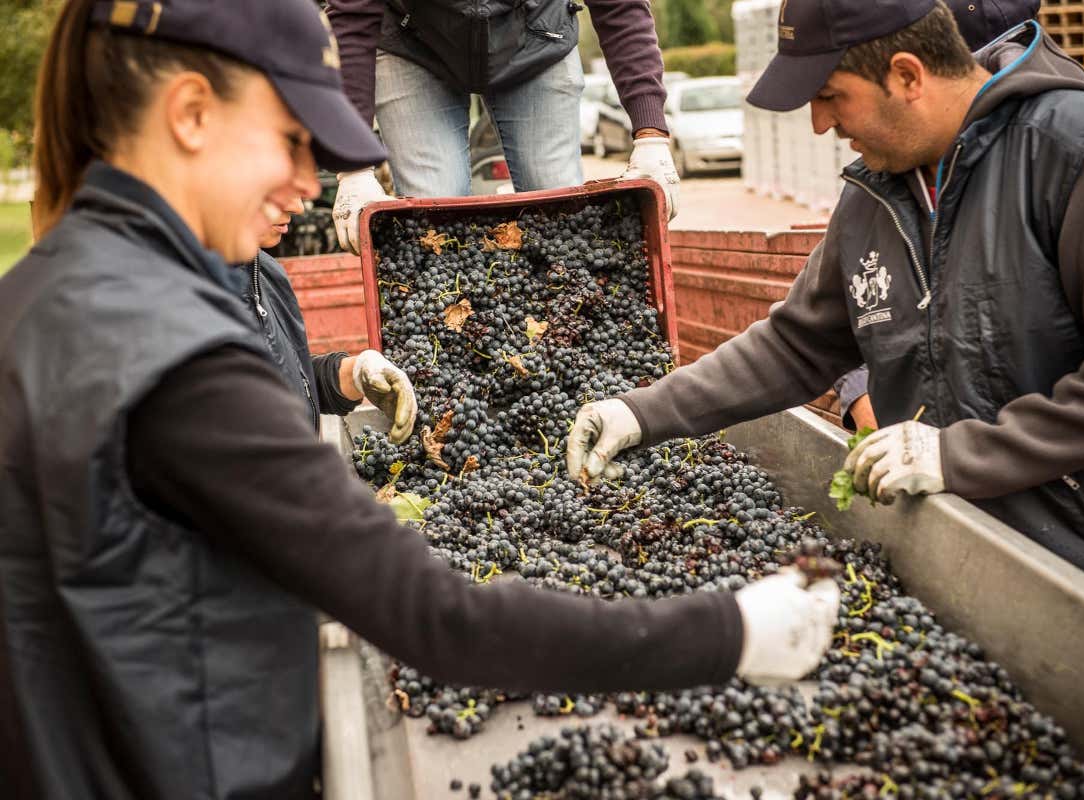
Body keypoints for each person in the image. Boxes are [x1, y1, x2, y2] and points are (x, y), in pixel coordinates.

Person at [0, 2, 839, 797]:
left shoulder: (47, 292)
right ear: (190, 114)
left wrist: (336, 377)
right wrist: (732, 632)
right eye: (292, 141)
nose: (307, 184)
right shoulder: (175, 355)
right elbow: (440, 619)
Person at [566, 0, 1084, 640]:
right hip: (980, 576)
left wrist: (958, 456)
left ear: (906, 75)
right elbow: (793, 346)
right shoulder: (874, 195)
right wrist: (642, 412)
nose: (818, 124)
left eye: (831, 95)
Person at [831, 0, 1041, 432]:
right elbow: (824, 322)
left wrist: (954, 456)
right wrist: (857, 387)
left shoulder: (1066, 160)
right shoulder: (880, 175)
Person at [326, 0, 682, 254]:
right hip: (413, 40)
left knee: (560, 218)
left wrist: (650, 134)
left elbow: (620, 7)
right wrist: (352, 165)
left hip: (538, 35)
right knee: (433, 222)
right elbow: (352, 16)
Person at [246, 195, 417, 440]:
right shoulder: (188, 299)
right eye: (275, 186)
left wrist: (354, 373)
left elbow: (285, 379)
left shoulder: (264, 272)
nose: (296, 206)